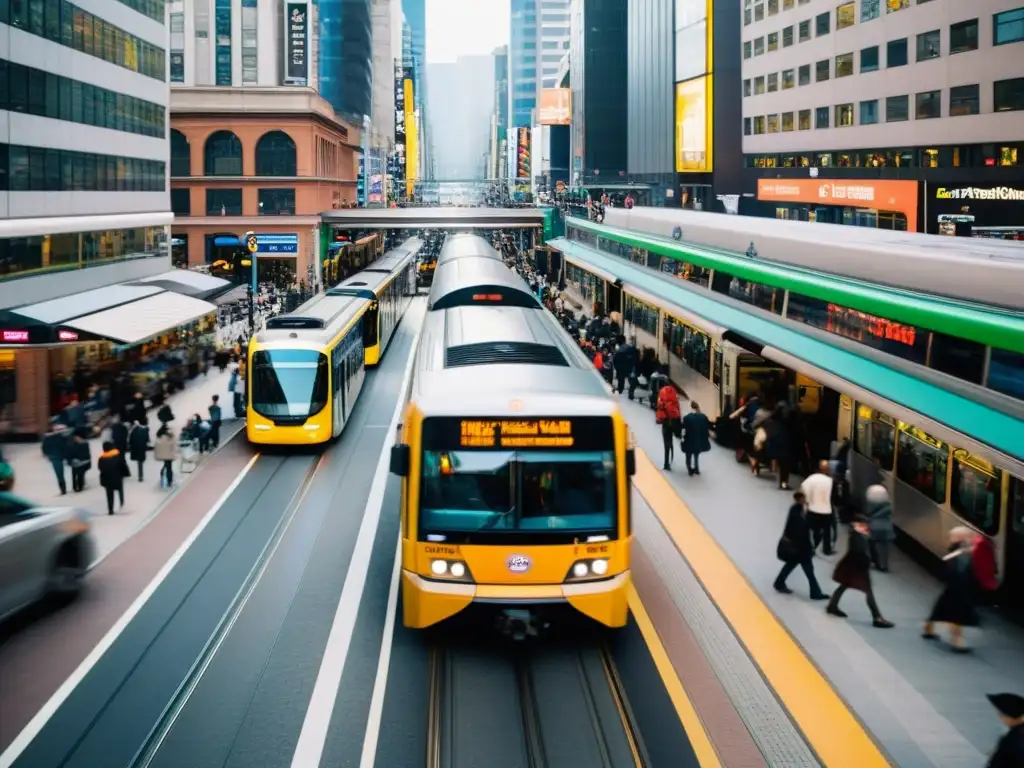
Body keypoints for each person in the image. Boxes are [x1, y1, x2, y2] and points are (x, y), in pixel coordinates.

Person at [825, 517, 893, 628]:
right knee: (868, 591)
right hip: (858, 567)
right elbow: (860, 552)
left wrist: (875, 561)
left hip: (852, 566)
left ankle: (832, 606)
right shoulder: (857, 536)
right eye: (864, 524)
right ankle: (877, 618)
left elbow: (870, 549)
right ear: (858, 524)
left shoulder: (861, 533)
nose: (866, 526)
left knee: (845, 585)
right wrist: (869, 562)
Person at [923, 526, 979, 653]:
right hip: (959, 588)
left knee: (941, 609)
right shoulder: (963, 552)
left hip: (953, 587)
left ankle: (928, 629)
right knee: (956, 615)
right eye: (970, 536)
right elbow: (961, 570)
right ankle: (957, 640)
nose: (972, 538)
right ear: (963, 538)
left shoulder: (955, 550)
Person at [773, 491, 829, 600]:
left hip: (797, 547)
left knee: (791, 565)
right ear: (799, 498)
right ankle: (815, 592)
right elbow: (800, 530)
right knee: (808, 570)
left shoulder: (797, 510)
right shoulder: (797, 512)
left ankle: (779, 582)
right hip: (800, 547)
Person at [800, 460, 835, 555]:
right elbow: (834, 496)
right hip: (826, 510)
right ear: (827, 469)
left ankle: (810, 548)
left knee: (812, 531)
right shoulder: (830, 481)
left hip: (812, 509)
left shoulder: (811, 478)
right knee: (826, 531)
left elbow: (803, 489)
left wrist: (806, 503)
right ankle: (826, 549)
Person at [985, 693, 1024, 767]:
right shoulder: (1016, 734)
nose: (1000, 717)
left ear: (1010, 716)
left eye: (1001, 714)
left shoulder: (1014, 738)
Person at [864, 484, 895, 571]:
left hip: (874, 528)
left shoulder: (871, 506)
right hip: (887, 529)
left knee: (872, 545)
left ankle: (875, 561)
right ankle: (884, 565)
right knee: (885, 549)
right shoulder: (888, 506)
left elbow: (867, 514)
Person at [680, 401, 712, 477]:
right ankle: (697, 469)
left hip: (689, 440)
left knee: (688, 455)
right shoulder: (703, 417)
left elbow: (683, 430)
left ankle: (689, 469)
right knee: (696, 454)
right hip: (699, 441)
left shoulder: (687, 418)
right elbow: (707, 428)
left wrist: (682, 440)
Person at [655, 381, 682, 471]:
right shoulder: (674, 394)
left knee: (666, 442)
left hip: (665, 422)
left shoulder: (661, 394)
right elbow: (677, 408)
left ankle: (666, 463)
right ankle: (671, 454)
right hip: (673, 421)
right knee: (670, 441)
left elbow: (659, 406)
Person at [97, 440, 128, 515]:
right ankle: (121, 503)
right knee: (120, 490)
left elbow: (100, 468)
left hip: (107, 479)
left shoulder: (102, 458)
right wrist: (125, 473)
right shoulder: (117, 455)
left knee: (109, 494)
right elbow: (122, 465)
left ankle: (110, 509)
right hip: (117, 477)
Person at [42, 421, 70, 495]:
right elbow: (66, 446)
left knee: (59, 474)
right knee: (61, 473)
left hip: (54, 457)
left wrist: (48, 455)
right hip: (59, 456)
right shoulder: (61, 437)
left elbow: (44, 448)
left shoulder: (47, 438)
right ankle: (64, 488)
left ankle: (63, 489)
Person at [153, 424, 178, 488]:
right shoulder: (170, 436)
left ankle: (162, 476)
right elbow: (174, 446)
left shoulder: (159, 436)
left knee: (166, 465)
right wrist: (175, 454)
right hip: (169, 455)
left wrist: (156, 455)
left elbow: (156, 446)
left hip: (162, 455)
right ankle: (169, 482)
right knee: (169, 468)